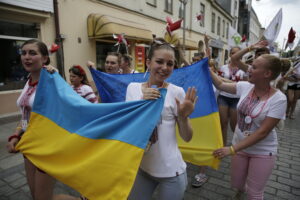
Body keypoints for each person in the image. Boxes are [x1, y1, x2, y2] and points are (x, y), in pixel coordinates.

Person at [126, 38, 197, 200]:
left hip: (171, 172)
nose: (165, 68)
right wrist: (141, 103)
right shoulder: (132, 89)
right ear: (148, 62)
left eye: (170, 64)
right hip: (142, 168)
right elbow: (128, 127)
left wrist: (184, 117)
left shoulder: (177, 92)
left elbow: (187, 137)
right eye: (159, 61)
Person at [211, 53, 287, 200]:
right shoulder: (245, 86)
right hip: (239, 147)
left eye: (254, 67)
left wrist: (232, 149)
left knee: (255, 193)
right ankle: (241, 191)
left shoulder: (279, 99)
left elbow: (263, 132)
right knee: (237, 184)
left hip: (262, 151)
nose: (249, 69)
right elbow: (220, 85)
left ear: (267, 73)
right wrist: (206, 68)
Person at [6, 39, 58, 200]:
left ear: (44, 58)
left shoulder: (52, 81)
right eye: (24, 53)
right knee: (36, 196)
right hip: (28, 144)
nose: (26, 57)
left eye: (33, 53)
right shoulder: (29, 81)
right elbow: (25, 117)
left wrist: (55, 76)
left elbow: (69, 109)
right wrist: (16, 135)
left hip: (46, 147)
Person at [217, 47, 246, 145]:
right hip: (223, 97)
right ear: (230, 55)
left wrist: (226, 81)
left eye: (237, 53)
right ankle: (223, 144)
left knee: (234, 125)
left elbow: (245, 84)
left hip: (236, 99)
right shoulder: (223, 67)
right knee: (223, 122)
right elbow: (219, 80)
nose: (234, 55)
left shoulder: (244, 69)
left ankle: (237, 144)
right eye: (233, 53)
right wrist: (233, 82)